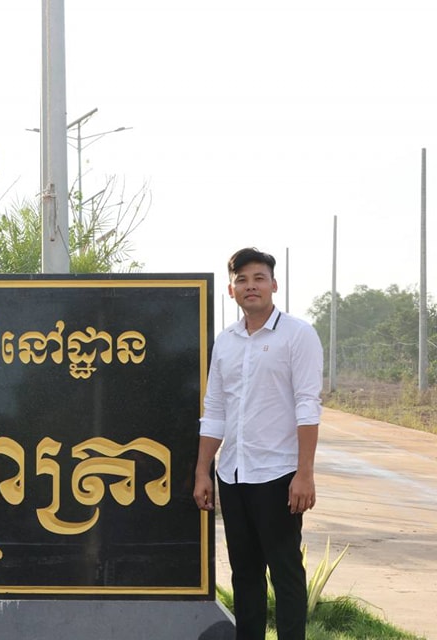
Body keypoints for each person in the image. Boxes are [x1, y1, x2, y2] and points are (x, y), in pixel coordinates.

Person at [194, 247, 323, 640]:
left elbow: (307, 406)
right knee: (245, 575)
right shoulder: (226, 342)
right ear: (231, 290)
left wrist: (304, 474)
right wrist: (203, 471)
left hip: (278, 475)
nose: (251, 286)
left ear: (274, 285)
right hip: (233, 475)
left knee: (285, 574)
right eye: (242, 280)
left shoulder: (297, 335)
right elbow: (215, 409)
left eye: (259, 278)